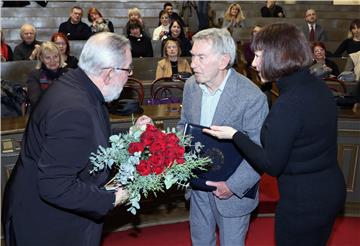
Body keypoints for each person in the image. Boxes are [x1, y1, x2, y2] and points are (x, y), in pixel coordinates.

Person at [203, 23, 346, 246]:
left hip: (304, 201)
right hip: (330, 189)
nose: (253, 63)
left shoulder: (288, 104)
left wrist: (234, 135)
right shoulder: (318, 86)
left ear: (277, 56)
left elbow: (272, 164)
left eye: (258, 56)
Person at [2, 32, 151, 246]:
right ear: (109, 73)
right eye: (128, 69)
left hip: (50, 213)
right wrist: (113, 198)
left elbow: (92, 139)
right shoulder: (75, 109)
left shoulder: (81, 85)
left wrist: (131, 135)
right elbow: (55, 186)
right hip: (46, 225)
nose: (129, 75)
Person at [177, 28, 268, 246]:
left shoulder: (252, 97)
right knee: (200, 241)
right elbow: (184, 126)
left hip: (232, 192)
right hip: (198, 186)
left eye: (201, 57)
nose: (193, 64)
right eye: (192, 55)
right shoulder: (191, 86)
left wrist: (232, 186)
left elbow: (260, 151)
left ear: (223, 60)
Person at [26, 41, 68, 106]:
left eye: (55, 57)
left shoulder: (68, 73)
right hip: (44, 111)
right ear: (41, 59)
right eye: (48, 58)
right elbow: (35, 100)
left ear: (60, 57)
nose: (52, 61)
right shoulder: (35, 75)